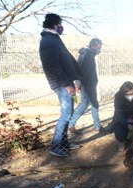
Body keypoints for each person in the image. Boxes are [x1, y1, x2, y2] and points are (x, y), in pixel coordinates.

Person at [39, 13, 81, 158]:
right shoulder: (48, 41)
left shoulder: (54, 38)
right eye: (60, 24)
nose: (61, 27)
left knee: (68, 114)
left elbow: (66, 61)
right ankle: (56, 146)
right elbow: (53, 66)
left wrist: (75, 80)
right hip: (61, 84)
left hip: (67, 83)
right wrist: (66, 85)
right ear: (54, 25)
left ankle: (64, 143)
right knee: (65, 115)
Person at [69, 38, 104, 134]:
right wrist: (82, 84)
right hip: (88, 85)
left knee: (84, 104)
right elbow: (85, 73)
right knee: (94, 104)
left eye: (100, 47)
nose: (99, 49)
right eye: (97, 46)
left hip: (87, 84)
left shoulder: (86, 54)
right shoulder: (88, 55)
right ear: (92, 45)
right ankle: (97, 127)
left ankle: (71, 124)